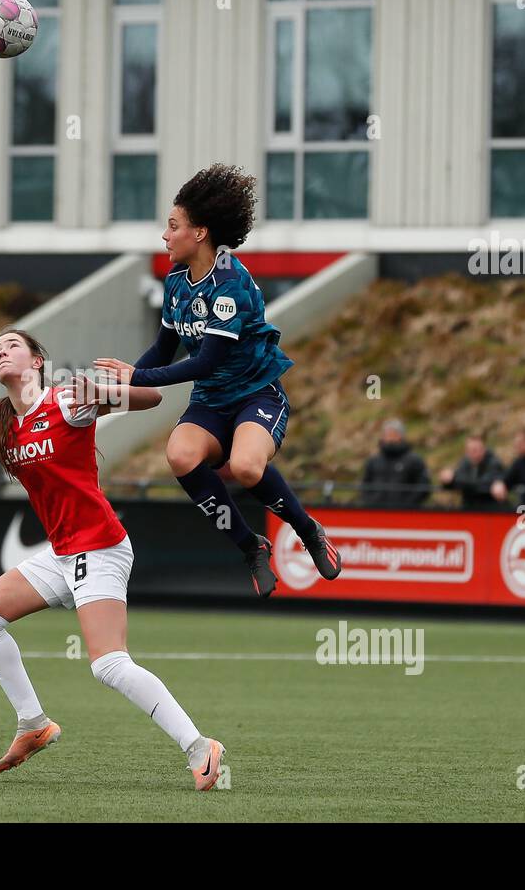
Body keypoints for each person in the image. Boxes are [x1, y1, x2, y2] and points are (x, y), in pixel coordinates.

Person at [0, 328, 227, 791]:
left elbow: (152, 399)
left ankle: (200, 746)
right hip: (61, 553)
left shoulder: (66, 401)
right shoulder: (6, 424)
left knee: (108, 665)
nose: (1, 351)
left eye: (12, 345)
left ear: (38, 361)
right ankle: (33, 723)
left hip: (98, 546)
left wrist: (102, 392)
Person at [93, 164, 340, 597]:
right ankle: (251, 547)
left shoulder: (230, 285)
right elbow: (162, 352)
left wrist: (140, 376)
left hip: (256, 395)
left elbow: (205, 362)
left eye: (173, 226)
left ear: (200, 232)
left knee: (245, 466)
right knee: (180, 455)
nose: (165, 236)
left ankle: (309, 531)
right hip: (211, 402)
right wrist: (122, 384)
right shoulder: (175, 283)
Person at [360, 419, 431, 508]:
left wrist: (408, 505)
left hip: (404, 514)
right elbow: (365, 485)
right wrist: (371, 502)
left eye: (393, 434)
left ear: (401, 436)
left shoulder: (414, 460)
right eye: (387, 435)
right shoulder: (373, 461)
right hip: (376, 513)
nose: (390, 438)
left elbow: (423, 486)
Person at [438, 435, 506, 510]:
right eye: (470, 450)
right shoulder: (464, 462)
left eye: (476, 450)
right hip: (468, 509)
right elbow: (457, 483)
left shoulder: (494, 463)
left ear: (483, 449)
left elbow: (482, 483)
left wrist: (454, 478)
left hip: (490, 510)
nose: (473, 453)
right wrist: (447, 480)